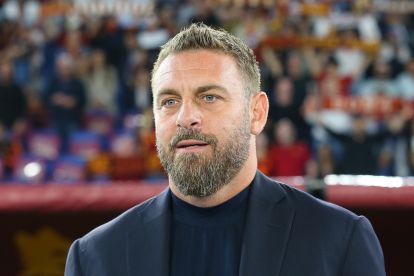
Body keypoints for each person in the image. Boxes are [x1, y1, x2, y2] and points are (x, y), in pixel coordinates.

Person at [65, 23, 385, 276]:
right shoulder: (94, 257)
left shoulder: (340, 240)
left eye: (209, 97)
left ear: (256, 113)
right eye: (169, 101)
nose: (185, 118)